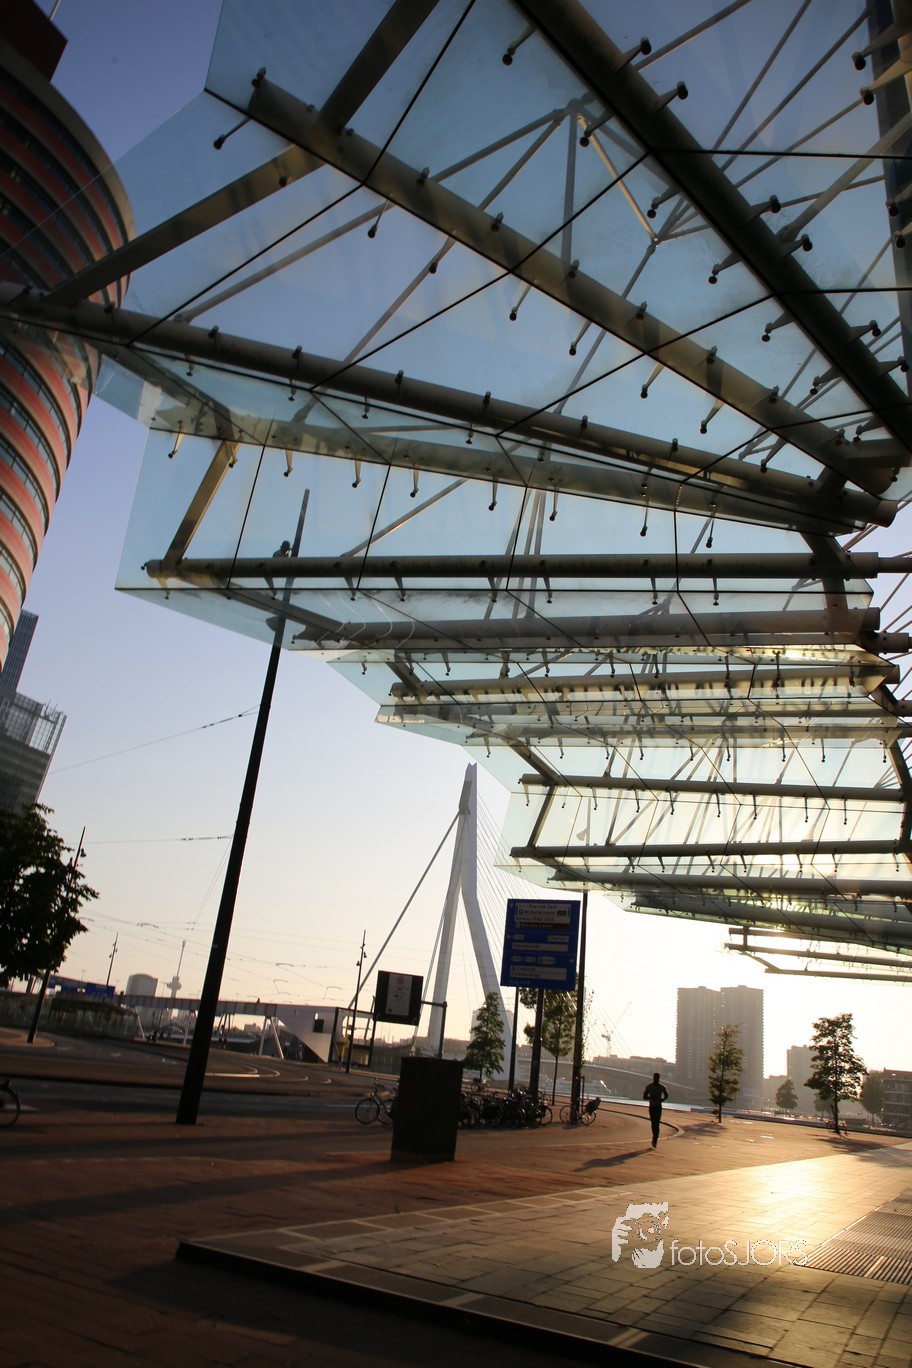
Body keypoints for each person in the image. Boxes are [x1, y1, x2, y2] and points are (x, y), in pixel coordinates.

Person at [643, 1072, 668, 1148]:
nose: (656, 1079)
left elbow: (666, 1095)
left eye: (657, 1078)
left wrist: (662, 1100)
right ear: (653, 1078)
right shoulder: (649, 1087)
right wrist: (651, 1097)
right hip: (652, 1107)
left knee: (656, 1123)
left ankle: (655, 1139)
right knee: (653, 1123)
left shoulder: (662, 1087)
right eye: (655, 1077)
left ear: (659, 1078)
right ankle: (654, 1137)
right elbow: (644, 1097)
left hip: (658, 1107)